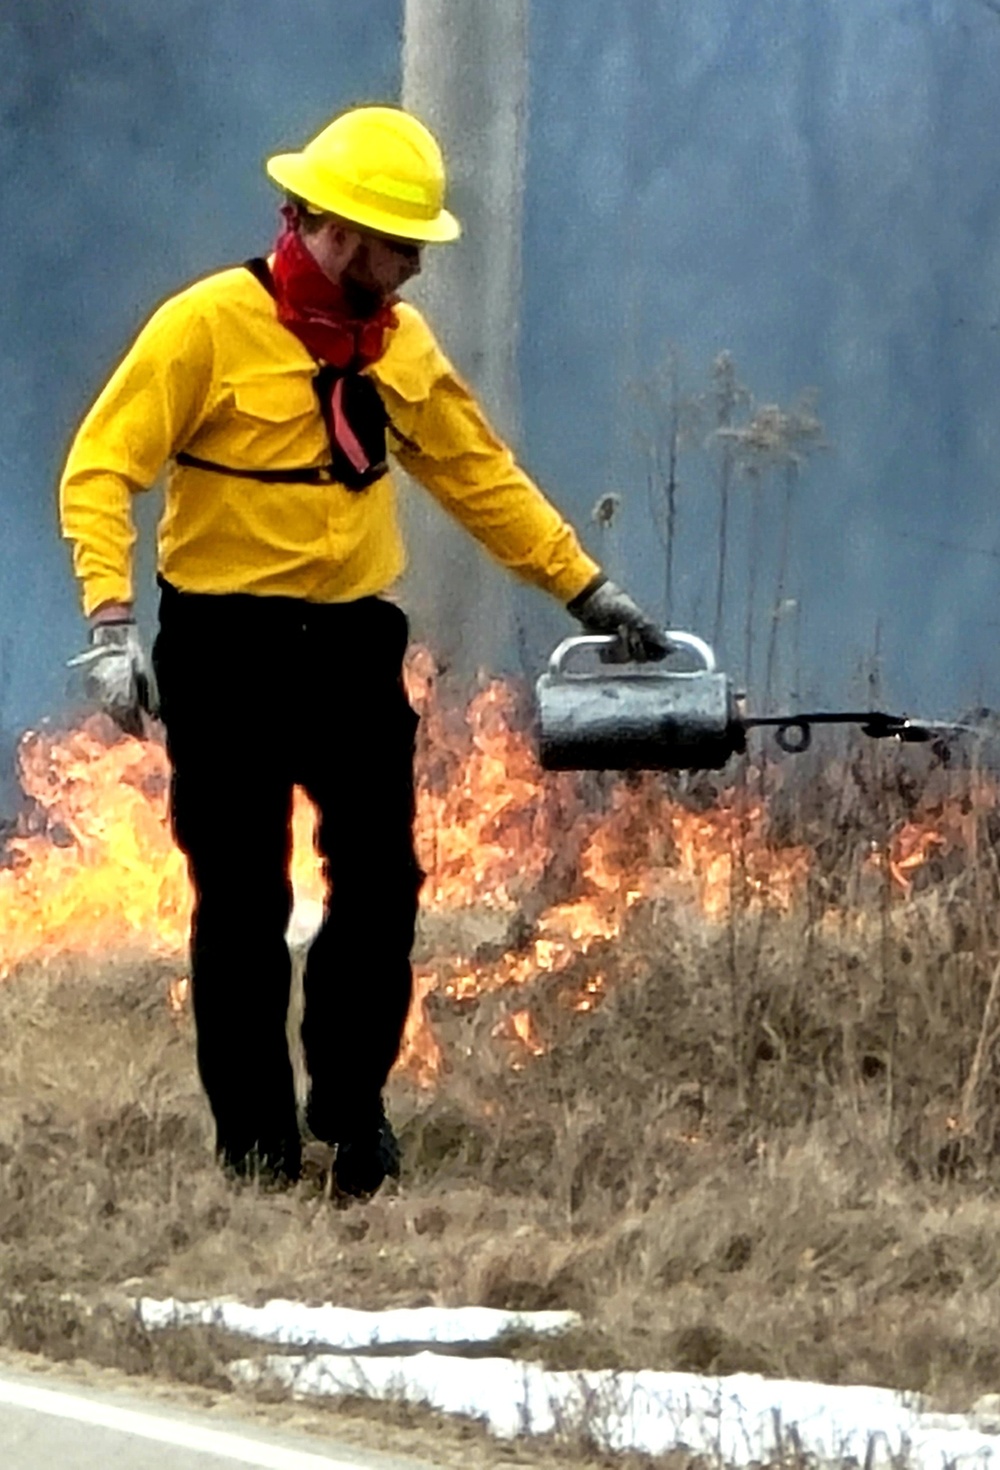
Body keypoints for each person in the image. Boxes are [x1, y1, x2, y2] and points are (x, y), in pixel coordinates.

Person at [59, 106, 668, 1198]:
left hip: (349, 645)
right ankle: (257, 1151)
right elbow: (101, 469)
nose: (416, 267)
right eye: (400, 246)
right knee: (242, 904)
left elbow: (478, 474)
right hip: (225, 647)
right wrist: (111, 626)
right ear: (333, 232)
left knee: (382, 888)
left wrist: (586, 589)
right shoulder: (205, 326)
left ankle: (350, 1108)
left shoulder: (399, 346)